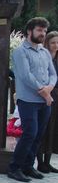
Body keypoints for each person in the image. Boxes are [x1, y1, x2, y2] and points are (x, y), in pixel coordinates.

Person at [8, 17, 57, 182]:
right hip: (28, 100)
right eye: (39, 30)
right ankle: (14, 168)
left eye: (44, 31)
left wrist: (49, 88)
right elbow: (25, 76)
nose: (42, 34)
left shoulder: (44, 52)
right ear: (29, 31)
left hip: (44, 101)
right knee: (29, 133)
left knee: (39, 135)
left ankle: (28, 166)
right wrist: (44, 92)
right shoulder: (20, 52)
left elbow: (53, 74)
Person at [37, 31, 58, 173]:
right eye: (53, 42)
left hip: (56, 96)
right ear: (47, 43)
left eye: (57, 43)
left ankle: (47, 162)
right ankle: (39, 162)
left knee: (52, 129)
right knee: (42, 129)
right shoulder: (43, 57)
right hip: (44, 95)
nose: (56, 45)